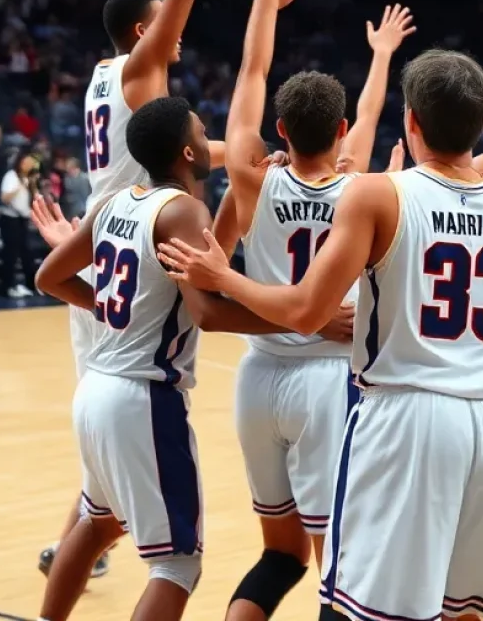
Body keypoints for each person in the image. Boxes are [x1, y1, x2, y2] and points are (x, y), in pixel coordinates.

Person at [158, 49, 483, 621]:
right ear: (481, 122)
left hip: (408, 418)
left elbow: (309, 310)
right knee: (466, 610)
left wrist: (224, 278)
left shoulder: (376, 193)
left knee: (358, 606)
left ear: (411, 121)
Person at [35, 0, 239, 578]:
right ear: (140, 33)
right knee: (133, 414)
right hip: (133, 247)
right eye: (164, 23)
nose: (177, 32)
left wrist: (247, 157)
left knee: (111, 424)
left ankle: (77, 549)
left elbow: (182, 151)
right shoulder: (138, 68)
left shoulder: (104, 77)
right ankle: (83, 548)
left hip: (110, 240)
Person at [215, 0, 414, 621]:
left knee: (278, 554)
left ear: (278, 128)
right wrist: (382, 57)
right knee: (341, 560)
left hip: (258, 379)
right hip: (330, 382)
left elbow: (250, 68)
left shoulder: (249, 175)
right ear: (337, 132)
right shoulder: (358, 188)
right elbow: (368, 113)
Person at [33, 97, 290, 621]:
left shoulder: (115, 202)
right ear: (188, 151)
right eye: (201, 129)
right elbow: (208, 313)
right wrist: (299, 319)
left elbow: (49, 278)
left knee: (97, 522)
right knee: (177, 566)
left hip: (96, 391)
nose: (208, 135)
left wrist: (110, 309)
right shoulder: (181, 210)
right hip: (141, 399)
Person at [0, 154, 39, 298]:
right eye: (26, 162)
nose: (29, 165)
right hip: (10, 219)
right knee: (10, 254)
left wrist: (32, 184)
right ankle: (7, 287)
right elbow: (5, 198)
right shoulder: (11, 176)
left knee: (26, 253)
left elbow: (34, 198)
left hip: (23, 219)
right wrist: (20, 185)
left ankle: (31, 286)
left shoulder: (29, 179)